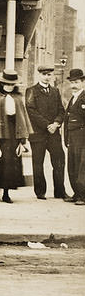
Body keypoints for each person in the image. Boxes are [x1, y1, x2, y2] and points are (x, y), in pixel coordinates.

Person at [25, 64, 69, 200]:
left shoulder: (55, 91)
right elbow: (31, 111)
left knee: (59, 160)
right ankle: (40, 192)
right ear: (39, 75)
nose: (47, 77)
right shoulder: (31, 91)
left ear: (52, 76)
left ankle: (60, 191)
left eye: (49, 75)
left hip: (53, 133)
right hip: (38, 134)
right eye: (44, 74)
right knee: (38, 163)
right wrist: (47, 125)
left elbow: (61, 110)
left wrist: (56, 123)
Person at [0, 69, 32, 203]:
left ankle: (6, 193)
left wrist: (22, 139)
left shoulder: (18, 98)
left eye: (12, 84)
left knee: (10, 164)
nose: (9, 86)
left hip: (13, 133)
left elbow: (23, 117)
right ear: (1, 83)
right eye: (6, 84)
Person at [63, 68, 85, 205]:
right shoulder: (74, 97)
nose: (73, 85)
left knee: (82, 166)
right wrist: (66, 138)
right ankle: (76, 193)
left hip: (82, 137)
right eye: (72, 82)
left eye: (76, 82)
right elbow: (68, 119)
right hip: (72, 137)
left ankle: (82, 196)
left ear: (83, 82)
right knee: (72, 165)